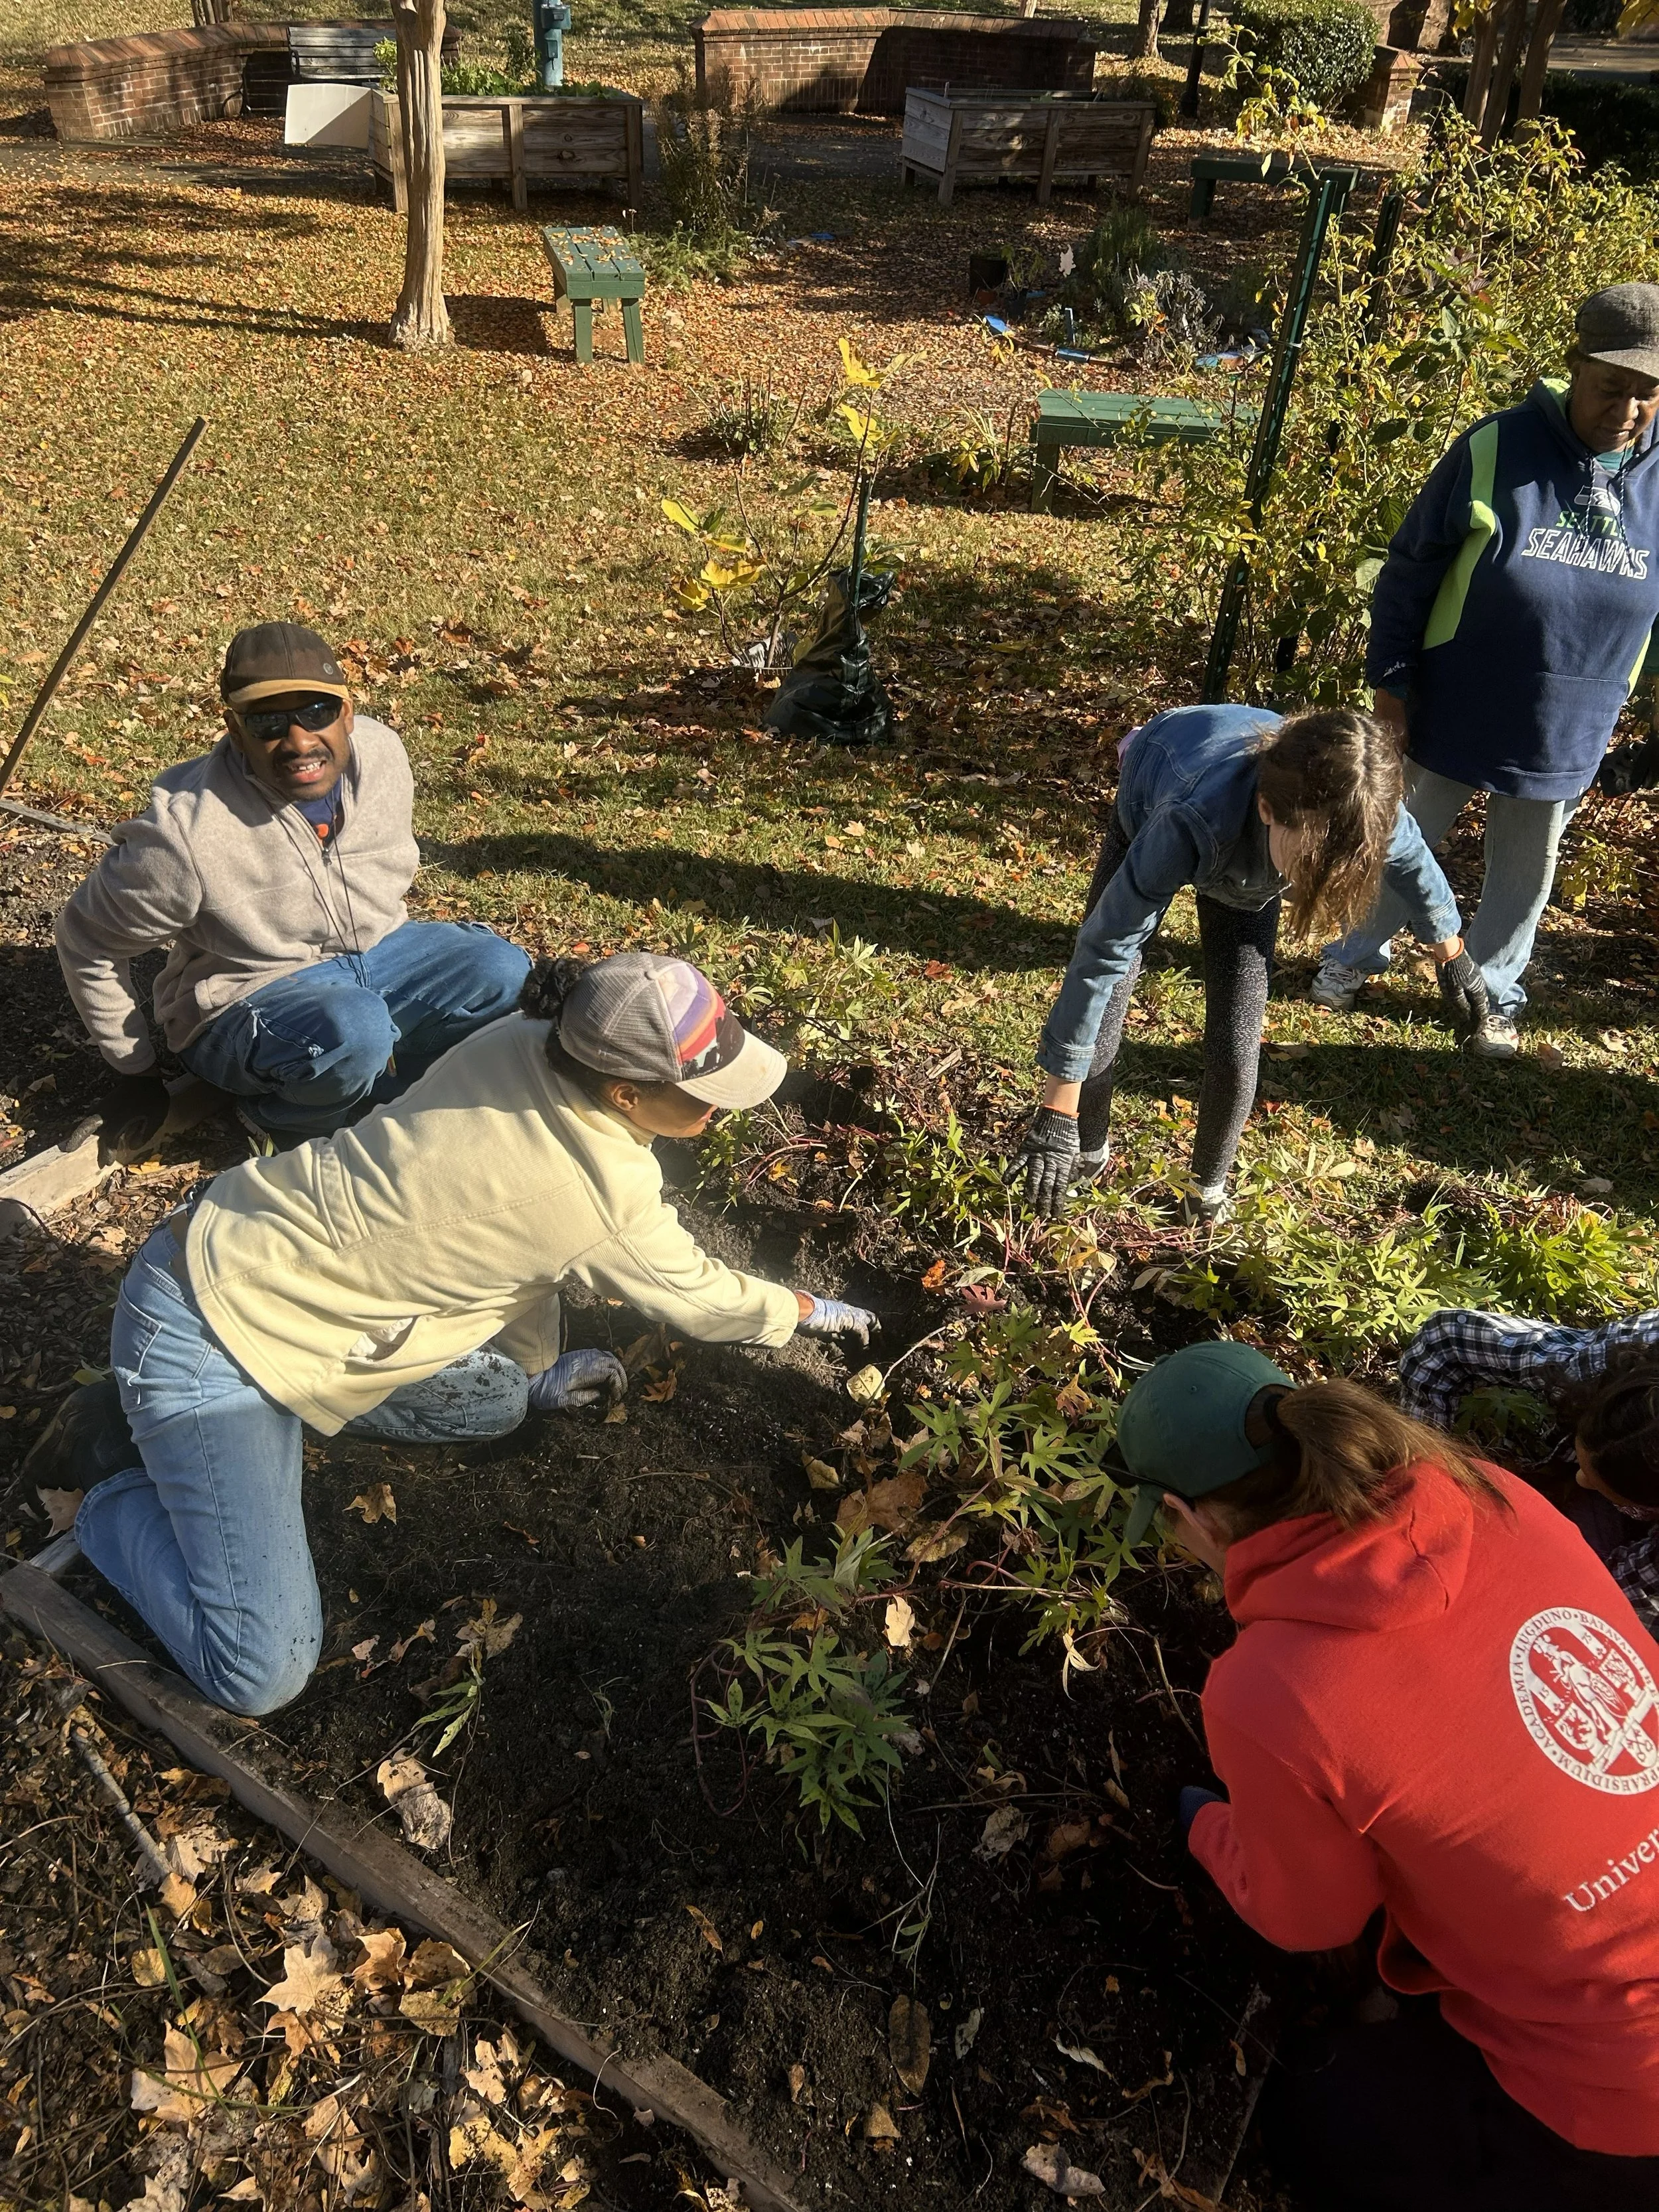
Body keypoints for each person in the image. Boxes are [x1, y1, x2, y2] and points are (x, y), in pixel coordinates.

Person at [29, 954, 877, 1716]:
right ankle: (106, 1466)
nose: (715, 1115)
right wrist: (808, 1311)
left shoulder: (524, 1037)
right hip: (209, 1334)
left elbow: (511, 1259)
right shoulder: (605, 1198)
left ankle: (223, 1432)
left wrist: (539, 1364)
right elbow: (704, 1300)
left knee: (502, 1398)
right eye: (702, 1098)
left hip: (269, 1273)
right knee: (259, 1670)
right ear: (623, 1093)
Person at [1110, 1341, 1659, 2211]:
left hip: (1625, 2100)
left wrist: (1211, 1830)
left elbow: (1311, 1918)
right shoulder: (1495, 1493)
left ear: (1190, 1517)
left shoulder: (1273, 1690)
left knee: (1323, 2108)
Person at [1313, 283, 1659, 1060]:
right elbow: (1409, 570)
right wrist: (1391, 687)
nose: (1627, 410)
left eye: (1646, 394)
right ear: (1574, 369)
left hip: (1573, 718)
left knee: (1526, 870)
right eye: (1611, 388)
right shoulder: (1496, 448)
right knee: (1405, 834)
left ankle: (1494, 994)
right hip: (1455, 701)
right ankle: (1351, 956)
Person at [54, 621, 530, 1151]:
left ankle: (400, 1093)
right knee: (358, 1029)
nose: (300, 740)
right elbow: (85, 940)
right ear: (235, 730)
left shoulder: (384, 755)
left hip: (381, 950)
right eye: (269, 722)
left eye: (318, 713)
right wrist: (135, 1072)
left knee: (503, 970)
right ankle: (283, 1121)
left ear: (347, 713)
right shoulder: (183, 833)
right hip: (249, 991)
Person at [1018, 703, 1484, 1224]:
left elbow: (1415, 861)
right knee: (1109, 1004)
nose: (1321, 880)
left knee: (1238, 1035)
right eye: (1312, 862)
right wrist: (1057, 1111)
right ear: (1267, 809)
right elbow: (1105, 950)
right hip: (1162, 777)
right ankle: (1085, 1151)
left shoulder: (1359, 807)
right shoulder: (1188, 819)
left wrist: (1452, 952)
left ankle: (1206, 1191)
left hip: (1251, 867)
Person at [1400, 1303, 1659, 1634]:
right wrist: (1427, 1474)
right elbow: (1443, 1338)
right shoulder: (1615, 1361)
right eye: (1584, 1462)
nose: (1582, 1480)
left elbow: (1614, 1597)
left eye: (1626, 1502)